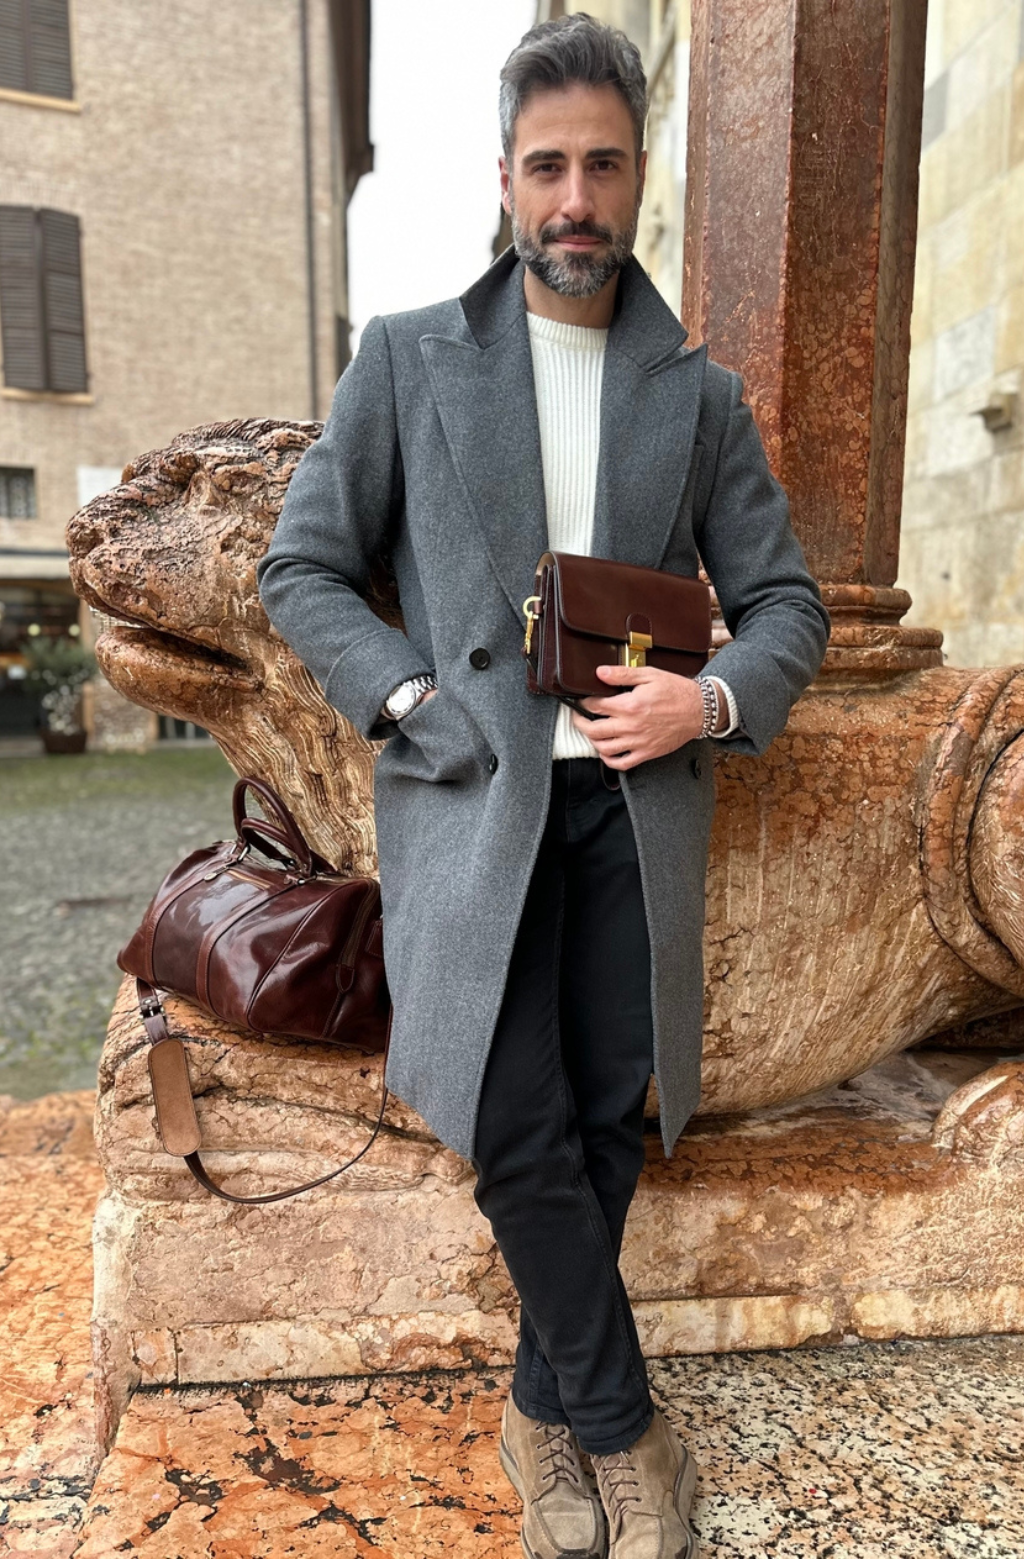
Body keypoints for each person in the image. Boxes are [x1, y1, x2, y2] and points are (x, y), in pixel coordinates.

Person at [256, 14, 830, 1557]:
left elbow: (787, 604)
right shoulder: (407, 357)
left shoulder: (697, 394)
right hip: (476, 805)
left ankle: (539, 1412)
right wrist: (406, 696)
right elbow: (302, 566)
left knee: (595, 1120)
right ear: (505, 178)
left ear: (640, 176)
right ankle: (630, 1434)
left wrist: (710, 696)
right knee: (515, 1126)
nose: (577, 198)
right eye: (549, 166)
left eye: (604, 166)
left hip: (636, 810)